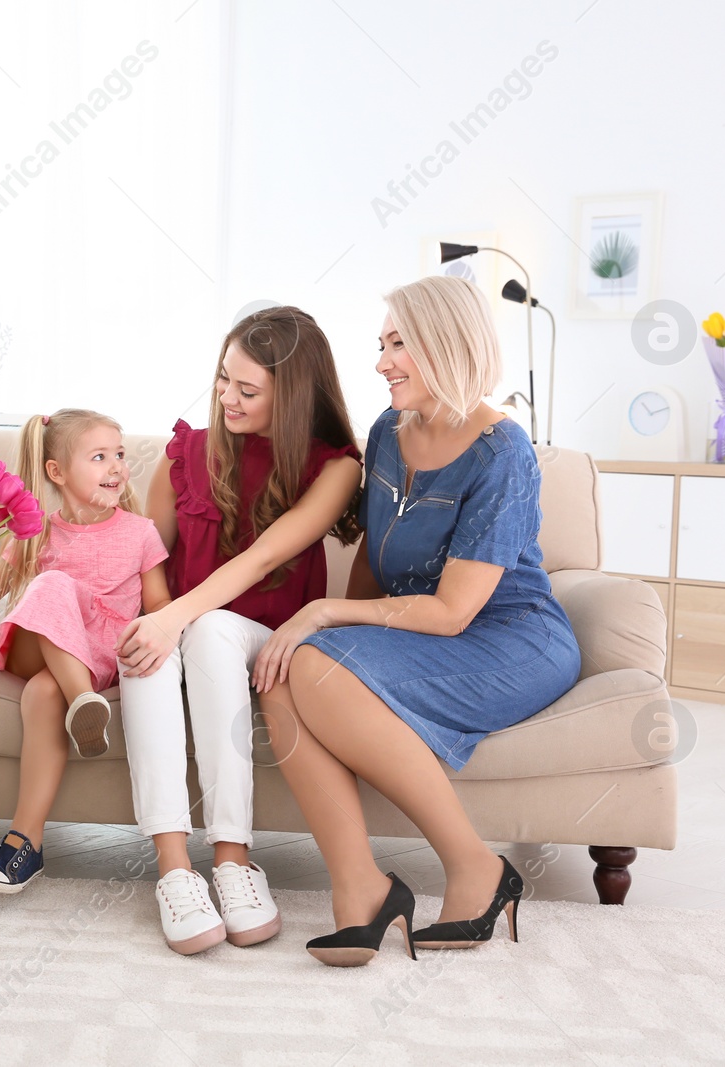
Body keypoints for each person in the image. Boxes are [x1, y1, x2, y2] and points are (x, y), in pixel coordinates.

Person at [257, 274, 581, 967]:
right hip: (419, 629)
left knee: (312, 652)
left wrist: (324, 612)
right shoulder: (386, 431)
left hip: (509, 636)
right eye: (381, 344)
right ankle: (363, 893)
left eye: (398, 343)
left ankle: (477, 869)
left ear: (448, 342)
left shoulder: (504, 453)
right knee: (282, 672)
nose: (381, 362)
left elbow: (455, 608)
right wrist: (332, 629)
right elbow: (376, 559)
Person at [113, 306, 363, 954]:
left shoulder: (335, 467)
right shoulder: (185, 454)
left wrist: (175, 616)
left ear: (293, 395)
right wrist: (159, 617)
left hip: (268, 635)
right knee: (147, 644)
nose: (226, 397)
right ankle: (174, 868)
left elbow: (259, 560)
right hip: (187, 625)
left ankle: (232, 858)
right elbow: (149, 561)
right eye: (223, 379)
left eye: (246, 390)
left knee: (214, 629)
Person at [0, 409, 172, 892]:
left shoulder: (140, 532)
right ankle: (84, 704)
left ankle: (23, 843)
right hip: (36, 647)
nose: (116, 466)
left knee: (42, 695)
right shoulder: (37, 532)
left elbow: (159, 607)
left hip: (99, 656)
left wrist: (156, 637)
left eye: (119, 454)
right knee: (51, 584)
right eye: (99, 457)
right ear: (57, 472)